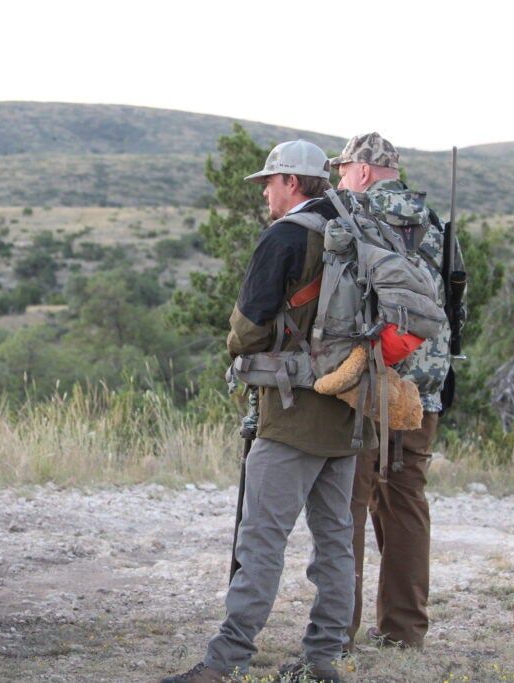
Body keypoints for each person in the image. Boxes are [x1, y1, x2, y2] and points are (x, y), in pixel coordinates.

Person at [161, 140, 373, 683]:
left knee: (260, 539)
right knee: (336, 540)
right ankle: (323, 657)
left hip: (291, 409)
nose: (265, 191)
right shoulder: (357, 227)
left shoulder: (285, 236)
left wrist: (239, 351)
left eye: (270, 181)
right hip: (350, 409)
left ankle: (224, 661)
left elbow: (249, 328)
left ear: (294, 184)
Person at [331, 132, 464, 650]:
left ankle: (338, 631)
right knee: (406, 500)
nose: (341, 178)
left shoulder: (354, 216)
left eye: (343, 170)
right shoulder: (435, 225)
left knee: (349, 502)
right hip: (425, 387)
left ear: (363, 171)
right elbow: (456, 304)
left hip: (369, 382)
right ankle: (404, 632)